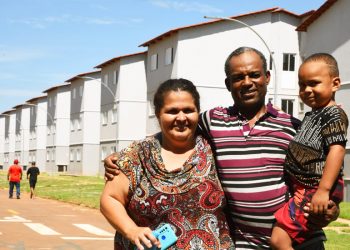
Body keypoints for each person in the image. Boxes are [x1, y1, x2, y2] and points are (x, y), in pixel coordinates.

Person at [104, 47, 339, 249]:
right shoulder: (212, 121)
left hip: (297, 240)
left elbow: (323, 169)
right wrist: (123, 158)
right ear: (228, 84)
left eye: (254, 75)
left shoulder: (293, 127)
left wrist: (332, 208)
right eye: (238, 77)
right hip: (244, 243)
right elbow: (176, 127)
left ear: (267, 77)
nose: (247, 82)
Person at [100, 79, 235, 250]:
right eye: (172, 111)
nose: (181, 117)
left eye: (188, 110)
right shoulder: (137, 155)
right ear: (158, 114)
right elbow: (110, 198)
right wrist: (131, 230)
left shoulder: (215, 149)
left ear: (198, 112)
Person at [270, 53, 348, 249]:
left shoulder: (333, 114)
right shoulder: (314, 113)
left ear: (335, 83)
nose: (306, 90)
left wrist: (322, 191)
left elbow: (337, 150)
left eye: (314, 83)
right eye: (302, 84)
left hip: (314, 188)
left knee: (279, 240)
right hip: (305, 188)